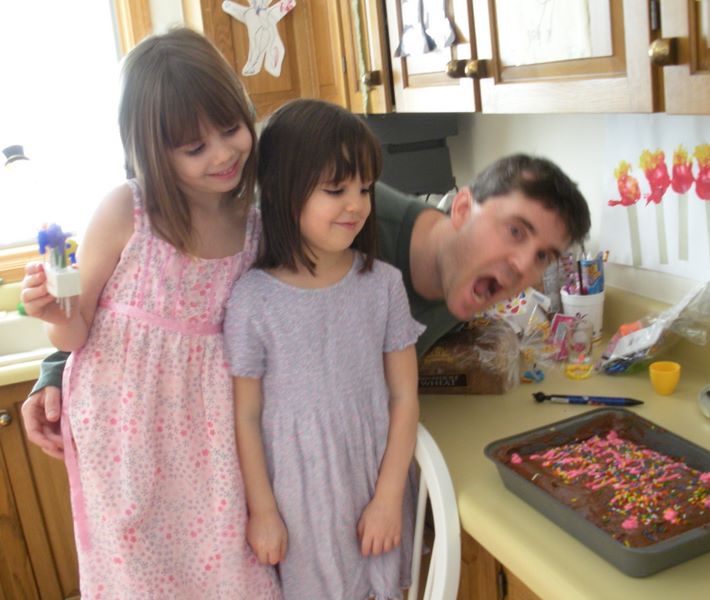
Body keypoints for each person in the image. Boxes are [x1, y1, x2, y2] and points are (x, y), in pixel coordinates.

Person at [23, 154, 590, 464]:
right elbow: (163, 281)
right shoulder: (346, 224)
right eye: (515, 231)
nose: (523, 265)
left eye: (543, 255)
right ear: (461, 209)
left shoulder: (464, 285)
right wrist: (57, 369)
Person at [18, 28, 281, 599]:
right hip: (124, 439)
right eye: (193, 148)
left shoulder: (256, 226)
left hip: (213, 439)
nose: (223, 154)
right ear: (153, 151)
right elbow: (75, 330)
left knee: (229, 575)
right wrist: (54, 312)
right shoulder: (126, 211)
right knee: (140, 578)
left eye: (230, 129)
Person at [224, 98, 422, 599]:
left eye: (364, 188)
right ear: (284, 191)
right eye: (336, 190)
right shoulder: (251, 299)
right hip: (299, 504)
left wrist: (388, 497)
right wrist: (263, 511)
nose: (356, 204)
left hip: (375, 487)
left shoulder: (385, 286)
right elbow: (246, 416)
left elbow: (404, 398)